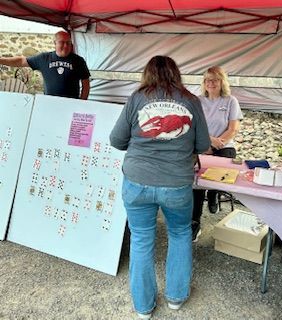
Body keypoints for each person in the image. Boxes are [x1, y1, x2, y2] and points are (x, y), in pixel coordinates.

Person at [110, 56, 210, 319]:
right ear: (176, 74)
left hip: (137, 181)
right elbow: (202, 145)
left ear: (147, 74)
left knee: (141, 239)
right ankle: (176, 298)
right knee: (179, 234)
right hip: (176, 183)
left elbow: (116, 140)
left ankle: (143, 307)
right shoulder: (191, 100)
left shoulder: (136, 97)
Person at [192, 66, 243, 242]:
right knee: (197, 177)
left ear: (222, 82)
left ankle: (214, 192)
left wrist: (214, 145)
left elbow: (233, 128)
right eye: (207, 79)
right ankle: (195, 221)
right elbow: (193, 127)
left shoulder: (230, 101)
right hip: (203, 144)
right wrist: (206, 142)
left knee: (219, 164)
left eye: (214, 79)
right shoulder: (197, 101)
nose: (210, 83)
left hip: (223, 145)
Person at [0, 31, 90, 99]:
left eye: (68, 42)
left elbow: (86, 84)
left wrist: (81, 103)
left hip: (71, 103)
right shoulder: (44, 58)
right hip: (49, 103)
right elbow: (20, 61)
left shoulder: (78, 61)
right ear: (55, 43)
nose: (66, 46)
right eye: (62, 42)